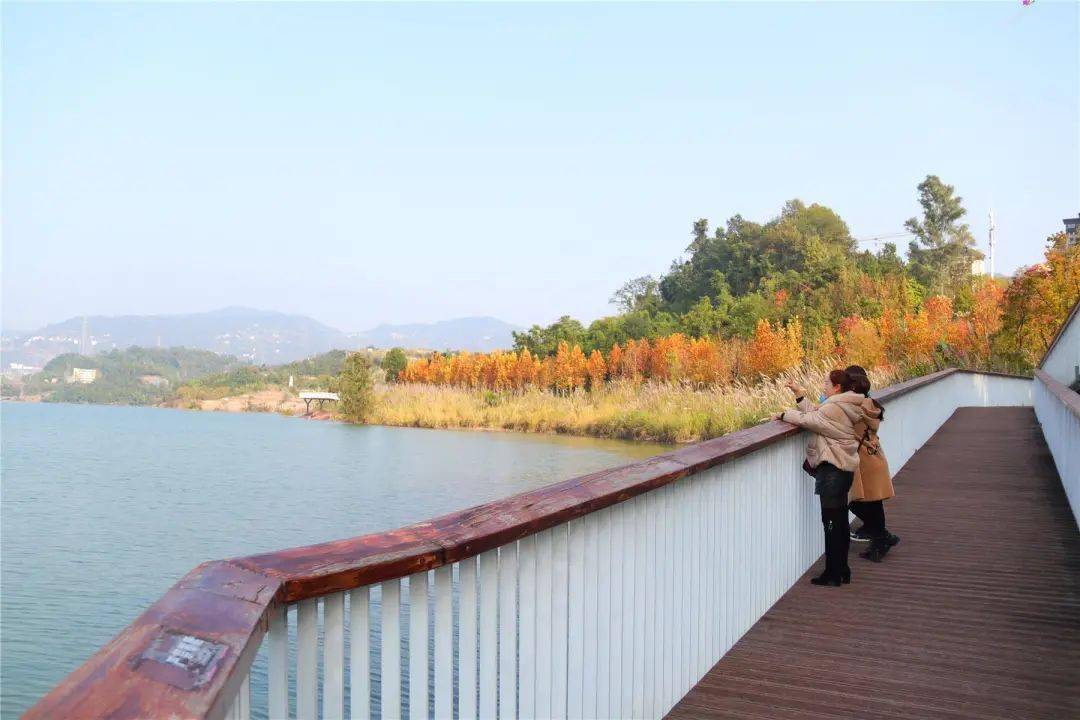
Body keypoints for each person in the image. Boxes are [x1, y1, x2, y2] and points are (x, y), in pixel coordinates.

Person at [778, 369, 865, 586]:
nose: (823, 386)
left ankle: (832, 574)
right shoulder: (842, 405)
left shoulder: (835, 406)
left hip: (832, 471)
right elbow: (818, 415)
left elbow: (812, 420)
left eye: (826, 383)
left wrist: (783, 415)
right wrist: (800, 396)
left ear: (837, 387)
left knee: (831, 524)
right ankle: (842, 570)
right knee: (840, 523)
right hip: (842, 470)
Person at [844, 365, 900, 562]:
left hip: (865, 461)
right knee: (874, 504)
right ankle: (880, 541)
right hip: (874, 456)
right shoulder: (870, 402)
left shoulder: (853, 407)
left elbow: (825, 417)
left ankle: (882, 537)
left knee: (853, 500)